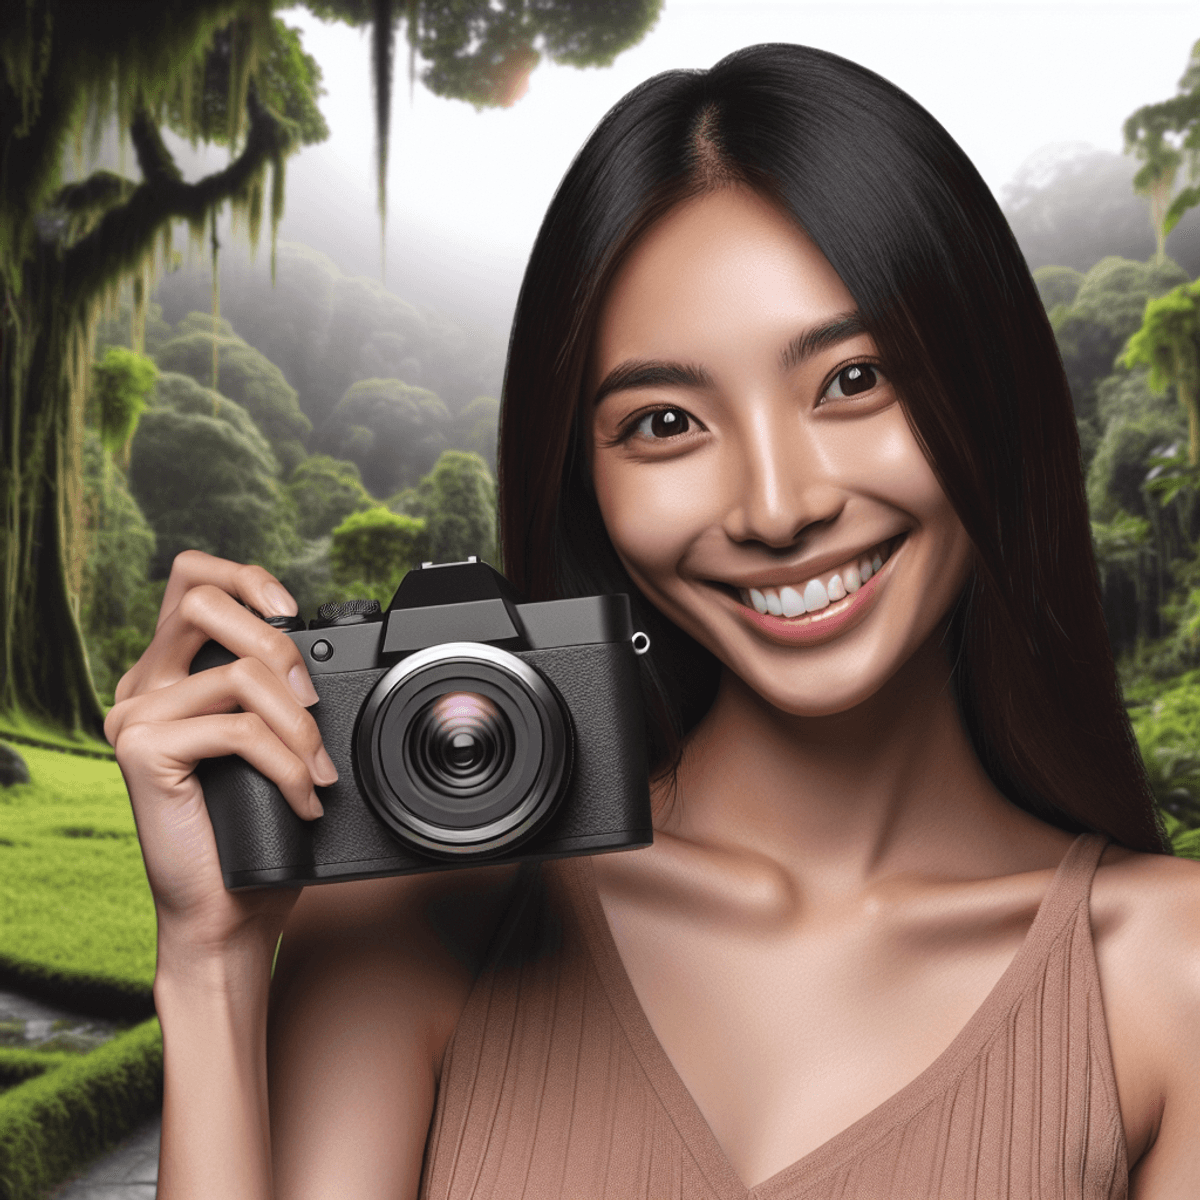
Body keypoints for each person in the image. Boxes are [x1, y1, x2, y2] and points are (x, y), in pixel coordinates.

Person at [106, 44, 1200, 1200]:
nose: (780, 507)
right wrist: (211, 965)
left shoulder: (1166, 977)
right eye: (667, 421)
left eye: (854, 379)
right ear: (585, 476)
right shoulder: (429, 915)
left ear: (989, 382)